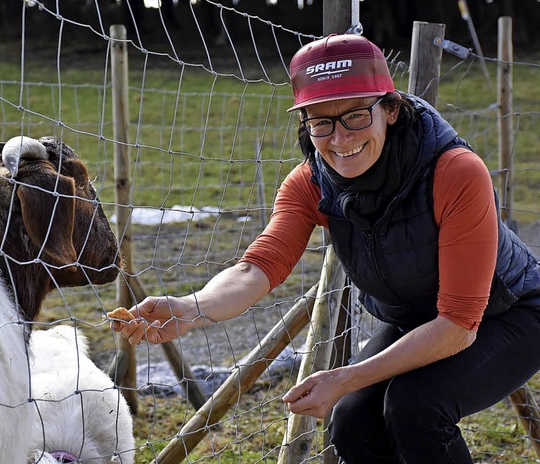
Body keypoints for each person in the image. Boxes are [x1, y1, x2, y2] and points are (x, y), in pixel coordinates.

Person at [113, 34, 540, 463]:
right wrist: (193, 307)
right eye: (320, 122)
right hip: (419, 318)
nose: (339, 138)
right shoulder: (309, 182)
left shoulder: (455, 172)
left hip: (507, 314)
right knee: (351, 418)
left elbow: (458, 325)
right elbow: (258, 266)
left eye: (355, 115)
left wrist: (346, 376)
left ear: (390, 110)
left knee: (415, 408)